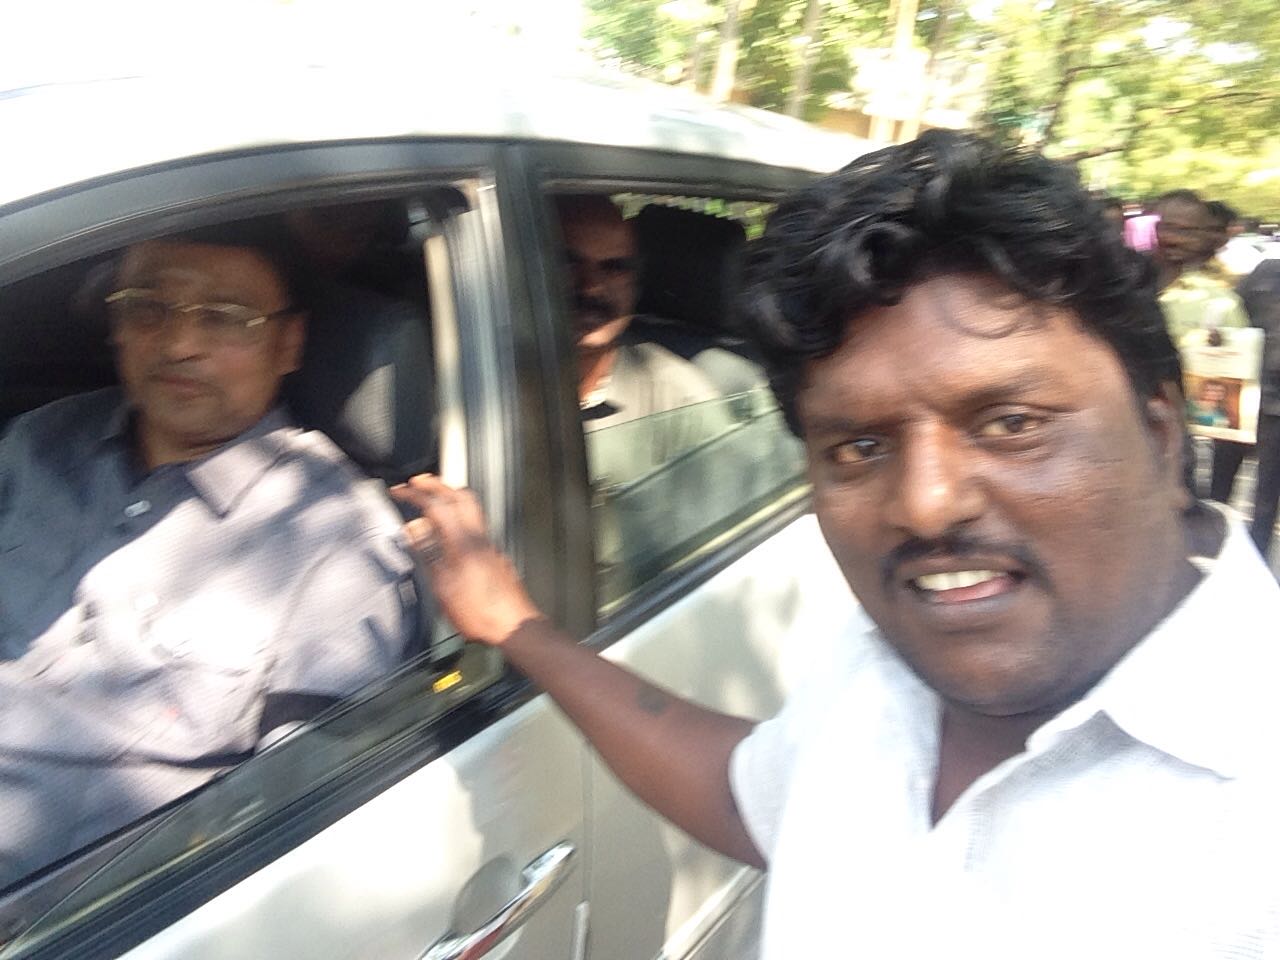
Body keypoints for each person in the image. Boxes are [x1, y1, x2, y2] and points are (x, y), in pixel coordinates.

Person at [394, 131, 1280, 958]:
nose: (925, 507)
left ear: (1162, 434)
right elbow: (751, 794)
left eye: (1011, 423)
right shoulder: (885, 661)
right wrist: (520, 630)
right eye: (859, 446)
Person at [0, 225, 418, 885]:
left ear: (289, 344)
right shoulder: (36, 443)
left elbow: (298, 820)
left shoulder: (337, 543)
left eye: (225, 318)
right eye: (148, 307)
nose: (179, 344)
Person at [558, 194, 731, 487]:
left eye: (615, 267)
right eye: (568, 262)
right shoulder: (487, 372)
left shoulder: (680, 403)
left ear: (636, 284)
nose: (591, 287)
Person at [1216, 257, 1280, 560]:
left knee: (1266, 499)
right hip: (1241, 396)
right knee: (1219, 486)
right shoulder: (1267, 272)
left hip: (1274, 411)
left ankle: (1255, 562)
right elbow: (1230, 312)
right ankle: (1212, 552)